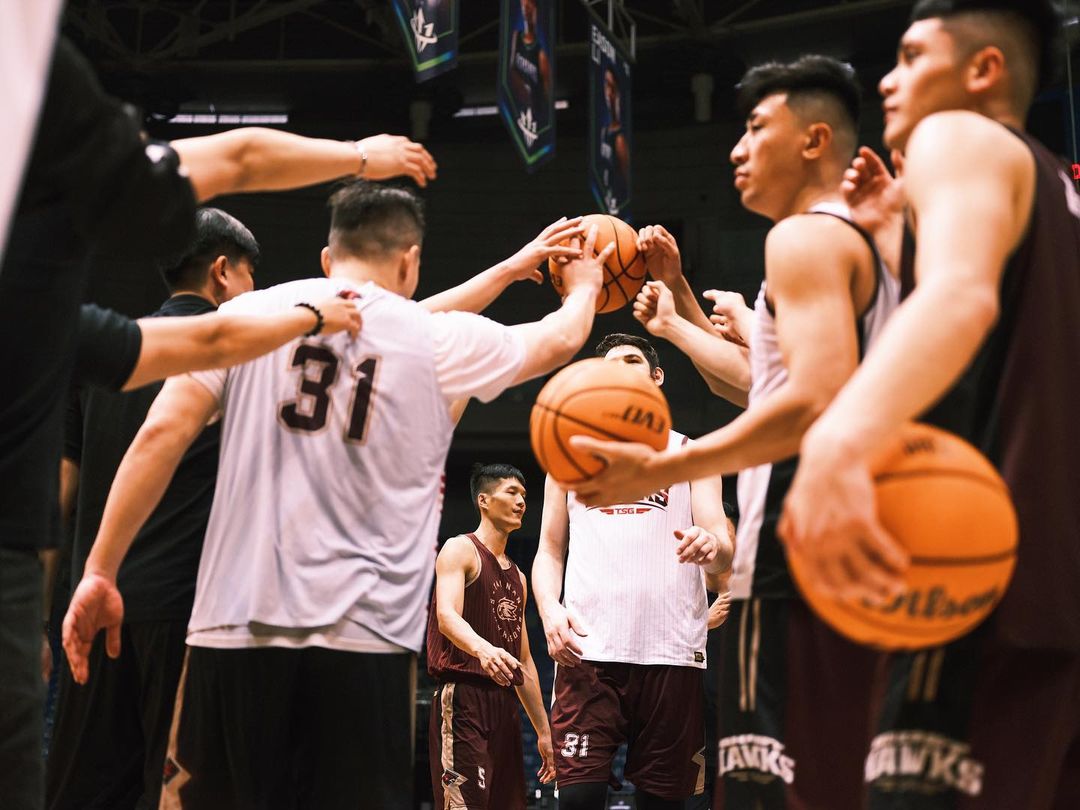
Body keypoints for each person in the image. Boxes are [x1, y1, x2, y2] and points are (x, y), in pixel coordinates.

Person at [62, 181, 611, 809]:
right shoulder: (432, 338)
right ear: (410, 262)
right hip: (364, 638)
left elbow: (160, 433)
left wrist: (101, 569)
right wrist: (586, 286)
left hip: (236, 630)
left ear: (328, 258)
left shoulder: (247, 314)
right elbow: (558, 339)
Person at [0, 32, 434, 808]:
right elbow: (237, 165)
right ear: (228, 272)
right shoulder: (91, 323)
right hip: (185, 609)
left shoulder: (83, 341)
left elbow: (63, 486)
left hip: (94, 594)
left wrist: (85, 576)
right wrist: (314, 303)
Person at [571, 57, 902, 809]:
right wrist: (680, 302)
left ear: (814, 140)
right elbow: (755, 382)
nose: (736, 148)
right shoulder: (861, 236)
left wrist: (662, 468)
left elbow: (804, 401)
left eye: (756, 128)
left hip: (802, 541)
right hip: (863, 537)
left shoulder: (804, 241)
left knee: (768, 782)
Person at [778, 3, 1080, 808]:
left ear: (983, 70)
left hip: (977, 585)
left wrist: (836, 443)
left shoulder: (958, 134)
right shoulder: (1056, 188)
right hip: (1059, 601)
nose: (888, 79)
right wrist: (893, 239)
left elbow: (962, 297)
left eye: (912, 57)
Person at [46, 208, 260, 810]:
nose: (255, 291)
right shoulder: (243, 355)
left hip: (92, 607)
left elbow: (56, 499)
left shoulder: (104, 354)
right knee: (176, 798)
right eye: (252, 275)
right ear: (223, 272)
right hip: (187, 616)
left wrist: (39, 617)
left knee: (82, 794)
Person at [531, 333, 732, 810]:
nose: (620, 368)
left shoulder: (693, 453)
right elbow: (549, 551)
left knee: (663, 804)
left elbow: (723, 552)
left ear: (656, 377)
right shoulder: (566, 458)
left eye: (632, 360)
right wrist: (549, 611)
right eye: (610, 364)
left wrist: (712, 546)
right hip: (587, 653)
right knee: (577, 802)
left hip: (673, 654)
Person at [427, 463, 555, 810]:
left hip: (505, 707)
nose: (521, 501)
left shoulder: (519, 577)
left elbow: (524, 660)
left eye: (524, 495)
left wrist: (544, 732)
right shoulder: (460, 549)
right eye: (511, 492)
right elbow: (446, 616)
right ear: (483, 500)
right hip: (463, 697)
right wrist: (483, 649)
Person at [507, 0, 552, 132]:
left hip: (535, 117)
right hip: (518, 108)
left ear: (536, 10)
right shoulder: (517, 36)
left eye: (529, 6)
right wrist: (521, 87)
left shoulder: (542, 54)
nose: (526, 10)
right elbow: (510, 70)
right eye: (524, 6)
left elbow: (547, 94)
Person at [598, 68, 630, 213]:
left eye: (612, 87)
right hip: (604, 199)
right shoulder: (603, 131)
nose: (609, 92)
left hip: (615, 206)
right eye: (606, 85)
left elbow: (626, 180)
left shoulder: (620, 138)